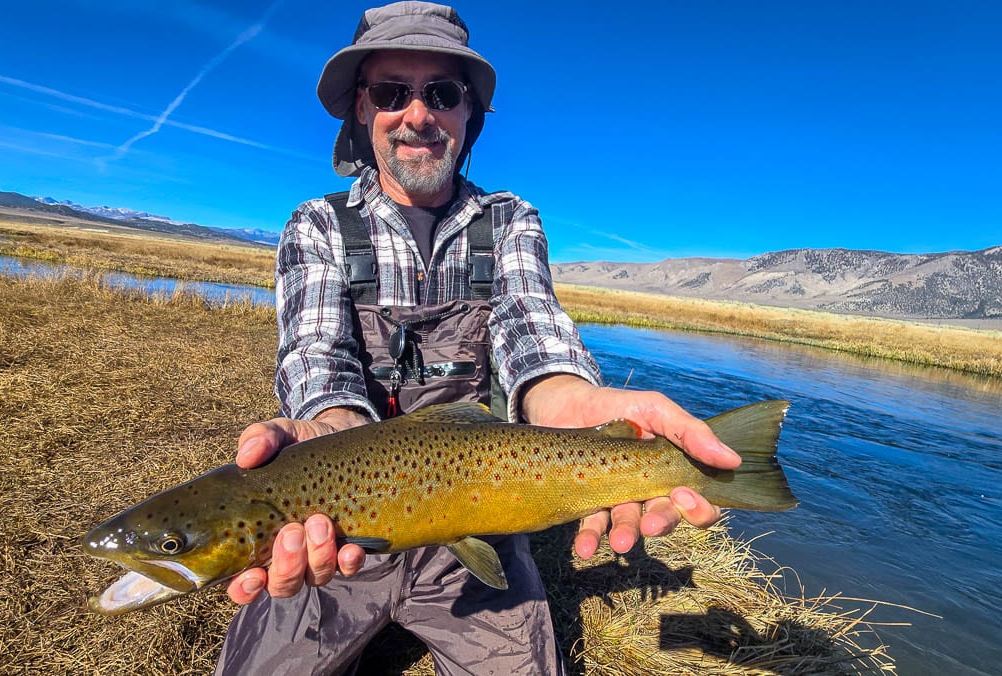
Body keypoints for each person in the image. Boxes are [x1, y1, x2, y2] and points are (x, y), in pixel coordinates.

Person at [215, 3, 741, 674]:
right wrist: (330, 433)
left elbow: (533, 330)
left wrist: (575, 405)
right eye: (390, 91)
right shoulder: (317, 225)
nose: (417, 114)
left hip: (482, 520)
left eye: (441, 93)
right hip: (334, 528)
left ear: (470, 115)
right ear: (359, 109)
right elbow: (318, 358)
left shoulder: (511, 221)